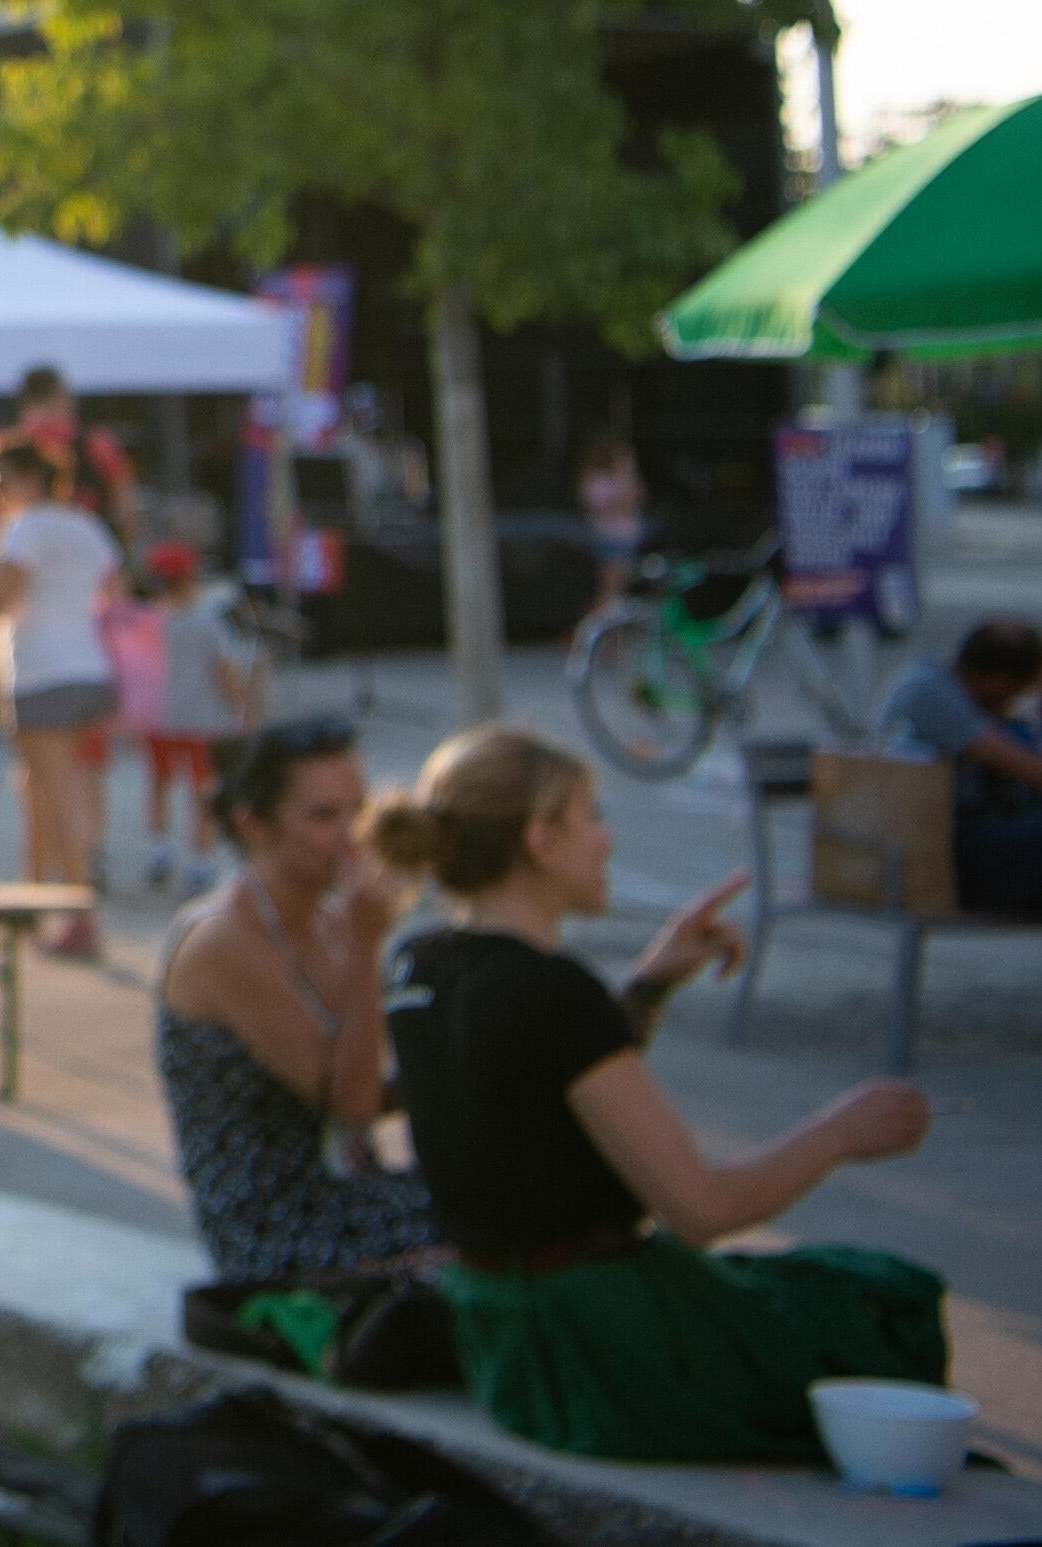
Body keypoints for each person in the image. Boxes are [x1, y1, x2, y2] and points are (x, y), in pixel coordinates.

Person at [377, 722, 943, 1462]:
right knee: (889, 1300)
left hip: (501, 1334)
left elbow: (532, 1087)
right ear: (541, 839)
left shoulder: (417, 962)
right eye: (592, 817)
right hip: (608, 1349)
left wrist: (650, 982)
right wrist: (840, 1130)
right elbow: (702, 1209)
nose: (607, 839)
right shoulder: (554, 989)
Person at [154, 720, 438, 1284]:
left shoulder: (328, 918)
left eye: (358, 810)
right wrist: (366, 948)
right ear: (254, 826)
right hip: (272, 1226)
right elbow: (352, 1105)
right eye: (323, 816)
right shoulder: (226, 940)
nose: (352, 836)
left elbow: (375, 1093)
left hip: (349, 1190)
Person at [0, 442, 120, 956]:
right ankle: (32, 900)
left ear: (20, 478)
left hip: (38, 673)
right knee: (40, 790)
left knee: (53, 797)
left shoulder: (22, 530)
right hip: (89, 668)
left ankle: (80, 917)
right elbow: (113, 592)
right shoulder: (84, 524)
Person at [872, 614, 1042, 914]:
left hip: (980, 837)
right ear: (999, 681)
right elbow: (1029, 770)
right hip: (941, 859)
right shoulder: (930, 694)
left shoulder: (950, 683)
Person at [145, 543, 264, 888]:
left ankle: (159, 848)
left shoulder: (149, 623)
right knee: (201, 791)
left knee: (160, 785)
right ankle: (200, 860)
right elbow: (225, 672)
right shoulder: (208, 625)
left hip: (159, 718)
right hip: (201, 721)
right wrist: (244, 707)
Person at [0, 362, 141, 539]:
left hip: (21, 548)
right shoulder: (97, 442)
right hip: (81, 547)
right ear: (60, 395)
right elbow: (126, 503)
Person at [577, 431, 651, 616]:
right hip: (610, 538)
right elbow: (621, 505)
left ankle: (615, 633)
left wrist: (629, 471)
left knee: (622, 591)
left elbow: (640, 499)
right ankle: (603, 632)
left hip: (628, 538)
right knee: (610, 591)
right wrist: (623, 474)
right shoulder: (597, 479)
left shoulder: (625, 477)